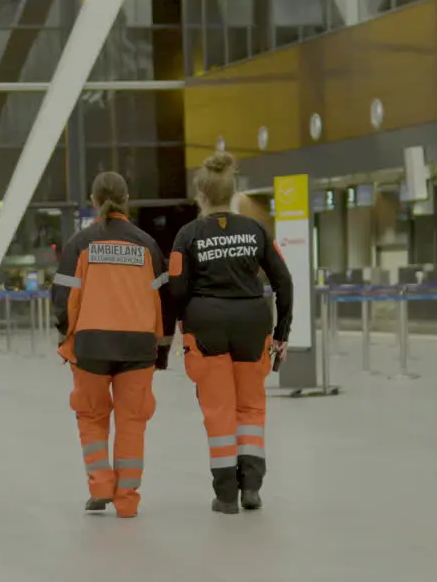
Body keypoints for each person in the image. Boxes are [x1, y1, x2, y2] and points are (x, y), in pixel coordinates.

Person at [165, 152, 293, 514]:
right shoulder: (256, 231)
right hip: (253, 324)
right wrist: (282, 332)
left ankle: (225, 496)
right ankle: (251, 488)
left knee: (219, 410)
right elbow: (283, 281)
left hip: (206, 326)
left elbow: (175, 288)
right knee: (251, 407)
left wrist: (179, 327)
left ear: (201, 196)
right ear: (234, 193)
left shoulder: (187, 235)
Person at [52, 172, 176, 519]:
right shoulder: (147, 245)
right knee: (132, 421)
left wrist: (66, 335)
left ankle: (100, 485)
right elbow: (165, 304)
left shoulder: (80, 243)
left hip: (90, 344)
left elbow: (62, 298)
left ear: (94, 200)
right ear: (126, 200)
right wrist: (162, 350)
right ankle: (127, 501)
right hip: (138, 347)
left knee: (91, 416)